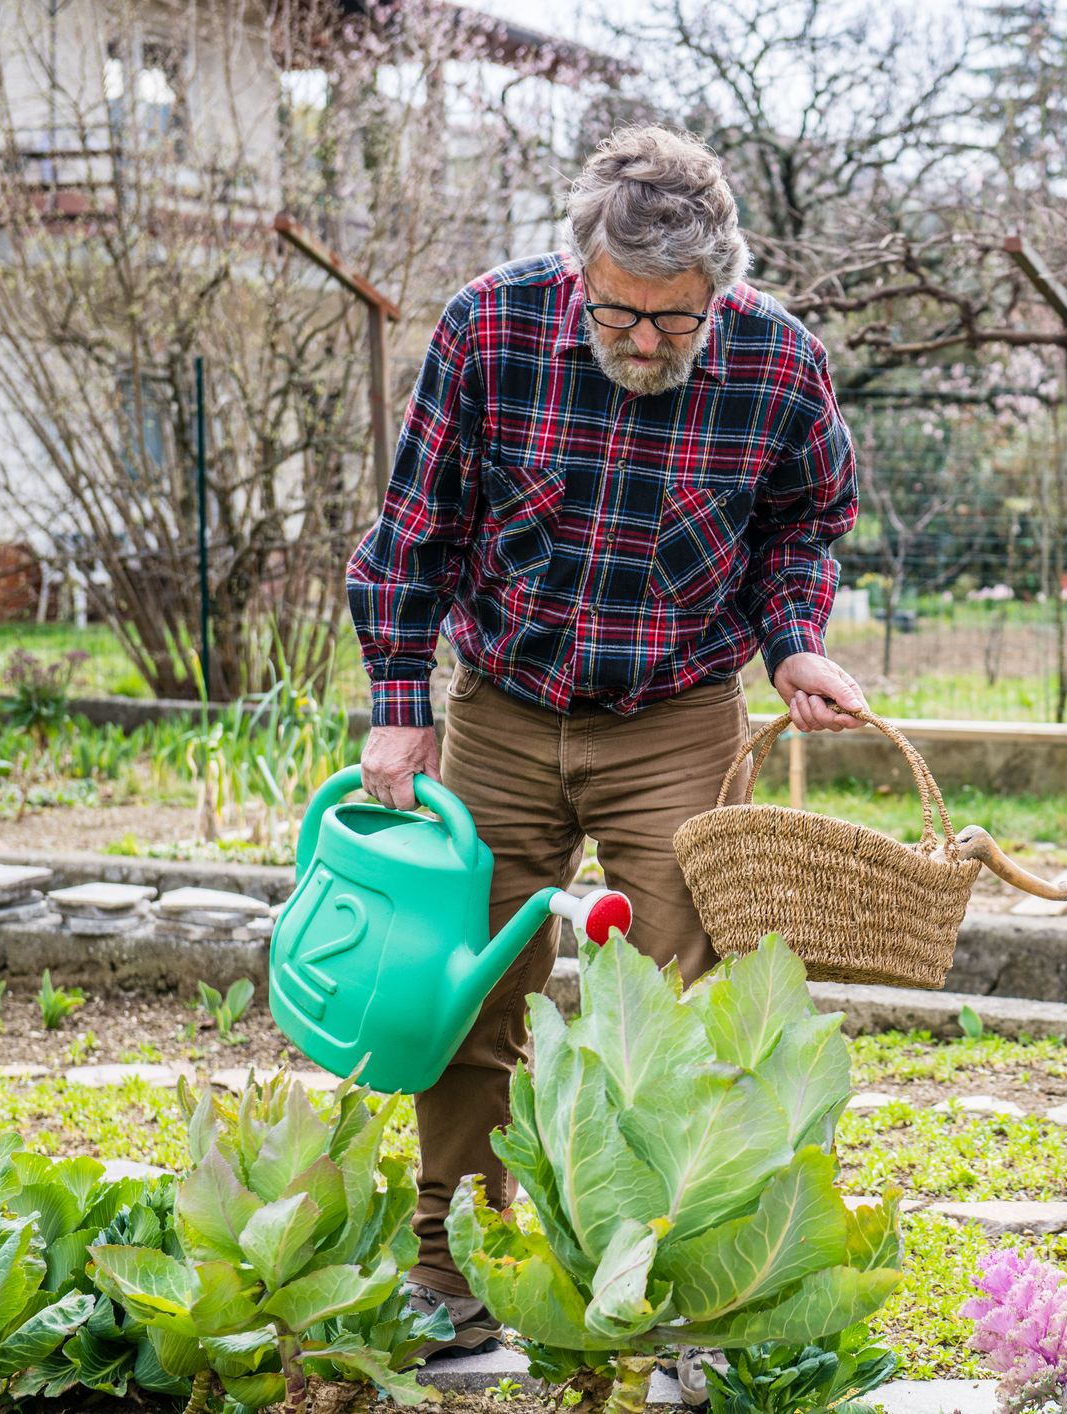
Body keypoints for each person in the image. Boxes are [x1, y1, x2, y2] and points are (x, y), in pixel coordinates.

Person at [345, 124, 866, 1354]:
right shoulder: (491, 328)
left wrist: (792, 642)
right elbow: (414, 529)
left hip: (677, 713)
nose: (642, 341)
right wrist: (397, 701)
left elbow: (804, 523)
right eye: (619, 312)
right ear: (582, 270)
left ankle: (676, 1287)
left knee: (681, 1004)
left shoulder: (780, 365)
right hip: (503, 708)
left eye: (673, 321)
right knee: (472, 991)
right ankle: (452, 1267)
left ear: (718, 290)